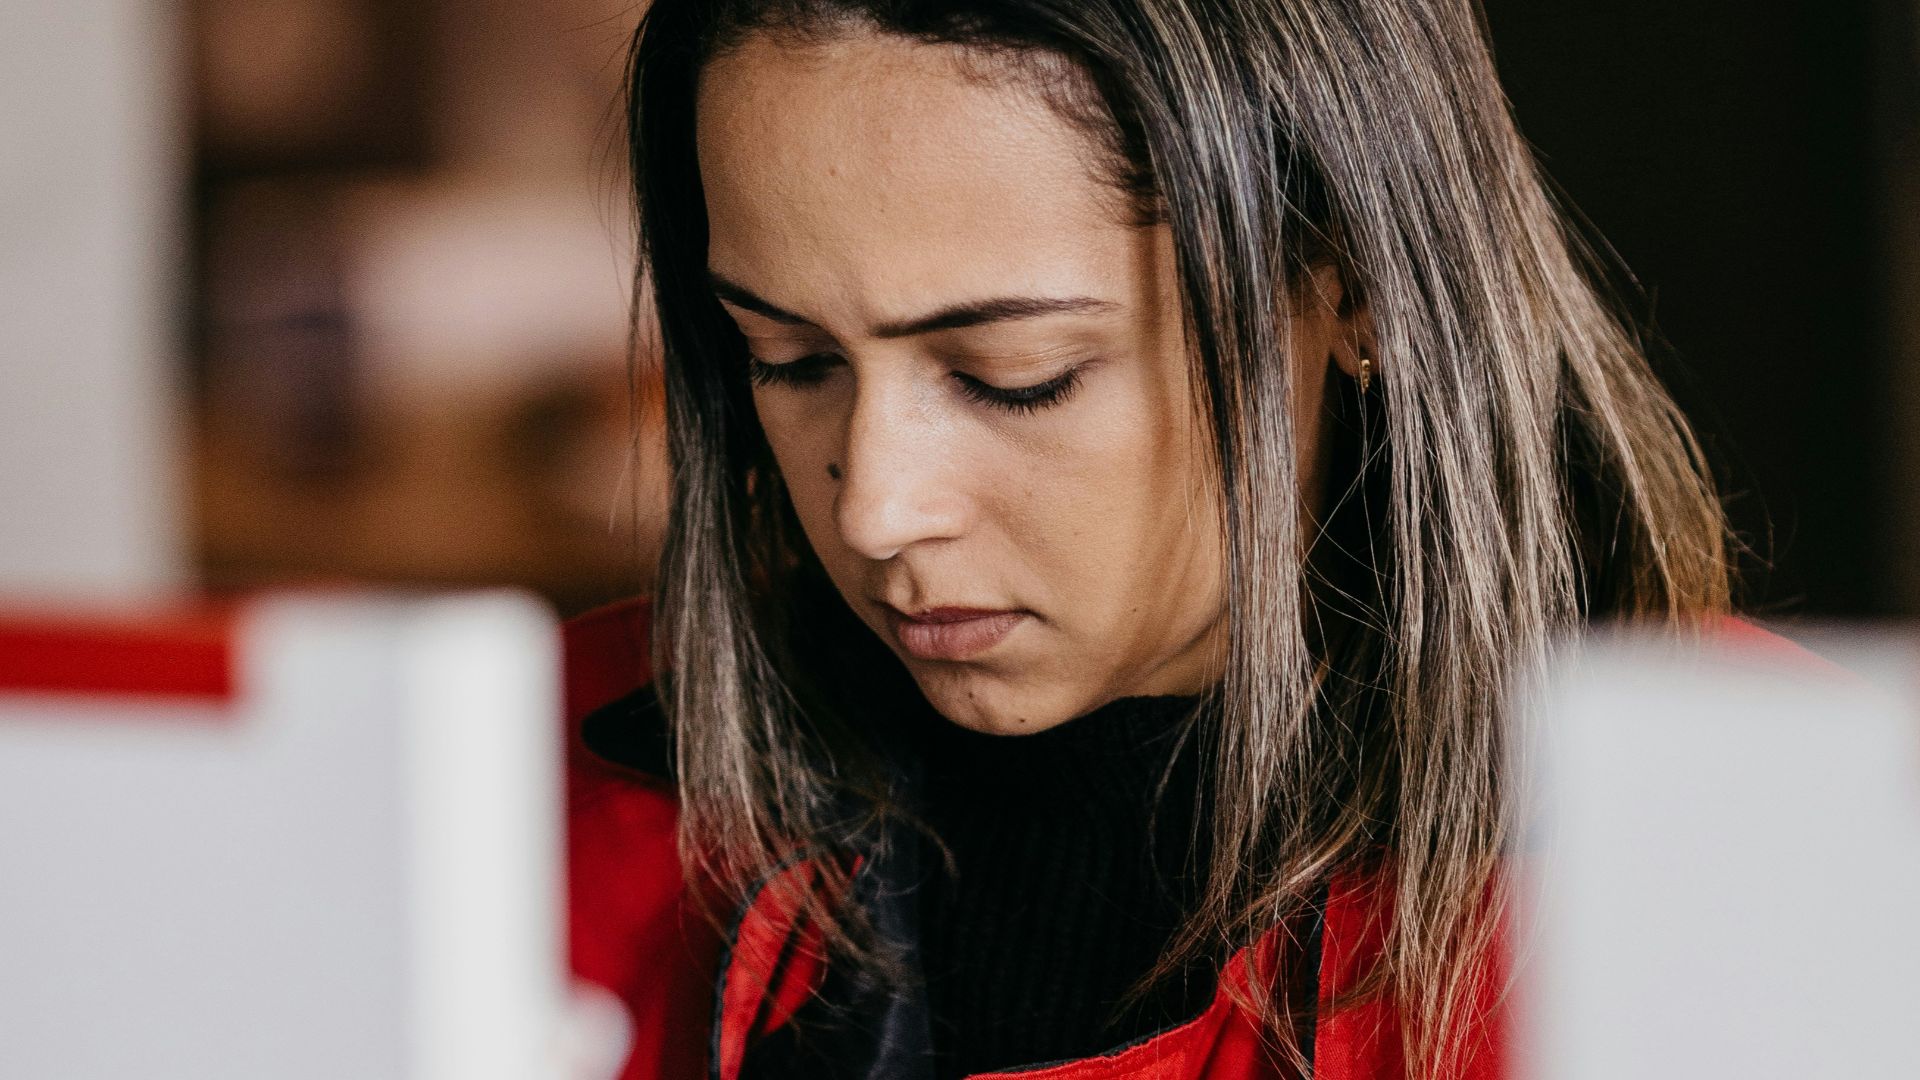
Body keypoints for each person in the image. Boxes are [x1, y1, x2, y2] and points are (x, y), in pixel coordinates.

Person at [564, 1, 1750, 1078]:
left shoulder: (1734, 856)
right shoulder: (530, 775)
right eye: (790, 360)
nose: (876, 508)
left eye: (1018, 376)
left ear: (1354, 288)